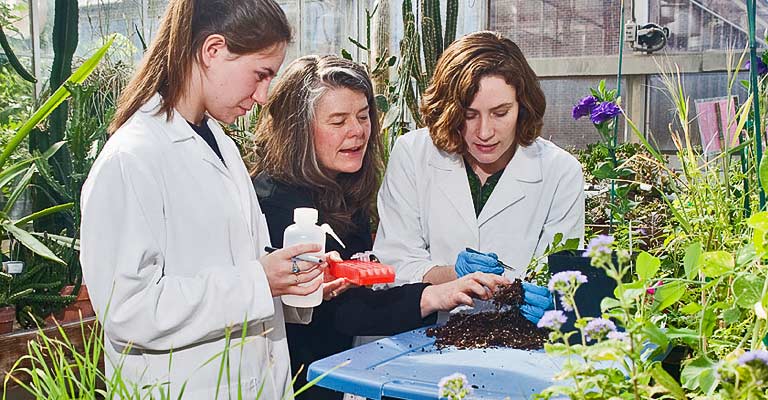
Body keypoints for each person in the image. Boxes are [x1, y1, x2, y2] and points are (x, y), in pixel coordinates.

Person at [80, 0, 324, 398]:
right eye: (260, 75)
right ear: (213, 50)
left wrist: (295, 278)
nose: (263, 96)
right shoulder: (131, 157)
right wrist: (258, 281)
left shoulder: (220, 145)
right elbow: (127, 310)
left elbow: (238, 259)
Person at [251, 55, 510, 400]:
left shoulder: (341, 189)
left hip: (337, 372)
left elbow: (360, 284)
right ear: (297, 130)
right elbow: (339, 310)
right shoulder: (275, 203)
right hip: (296, 382)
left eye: (363, 116)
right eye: (338, 121)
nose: (357, 131)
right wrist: (436, 294)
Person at [373, 31, 586, 324]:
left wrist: (553, 300)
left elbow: (561, 276)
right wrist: (454, 276)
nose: (484, 132)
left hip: (515, 336)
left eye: (500, 113)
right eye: (469, 115)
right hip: (419, 331)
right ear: (448, 110)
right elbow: (393, 264)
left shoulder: (560, 171)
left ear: (522, 107)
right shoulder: (413, 153)